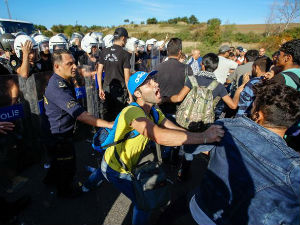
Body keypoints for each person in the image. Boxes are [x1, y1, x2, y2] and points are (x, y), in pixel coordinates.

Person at [101, 70, 224, 225]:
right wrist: (205, 137)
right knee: (143, 204)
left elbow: (172, 128)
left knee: (104, 175)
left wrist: (201, 143)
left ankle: (89, 184)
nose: (155, 83)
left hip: (122, 162)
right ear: (137, 93)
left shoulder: (153, 109)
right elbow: (159, 135)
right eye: (148, 83)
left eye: (153, 79)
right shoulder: (131, 111)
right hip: (116, 169)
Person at [189, 80, 300, 225]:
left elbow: (198, 149)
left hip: (200, 209)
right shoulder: (294, 167)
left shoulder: (227, 126)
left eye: (253, 106)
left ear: (258, 115)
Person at [165, 53, 249, 180]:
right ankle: (184, 172)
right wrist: (238, 91)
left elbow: (178, 98)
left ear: (202, 64)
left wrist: (164, 99)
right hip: (203, 123)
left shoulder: (192, 79)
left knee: (183, 140)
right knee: (192, 144)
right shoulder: (219, 86)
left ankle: (175, 164)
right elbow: (232, 106)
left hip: (185, 119)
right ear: (215, 68)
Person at [43, 49, 113, 197]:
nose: (75, 66)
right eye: (70, 63)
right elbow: (80, 114)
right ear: (57, 66)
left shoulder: (61, 80)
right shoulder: (57, 87)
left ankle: (49, 180)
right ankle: (65, 192)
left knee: (57, 162)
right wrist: (107, 124)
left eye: (74, 62)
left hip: (57, 133)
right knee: (67, 166)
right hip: (59, 136)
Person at [97, 27, 132, 121]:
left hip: (106, 88)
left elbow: (99, 71)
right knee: (119, 117)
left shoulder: (104, 51)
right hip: (120, 90)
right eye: (127, 39)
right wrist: (131, 95)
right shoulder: (125, 54)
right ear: (123, 38)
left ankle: (107, 134)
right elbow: (127, 78)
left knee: (107, 115)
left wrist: (100, 88)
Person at [155, 38, 193, 116]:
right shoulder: (187, 68)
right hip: (180, 110)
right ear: (180, 52)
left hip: (160, 110)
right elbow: (191, 88)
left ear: (168, 51)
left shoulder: (157, 67)